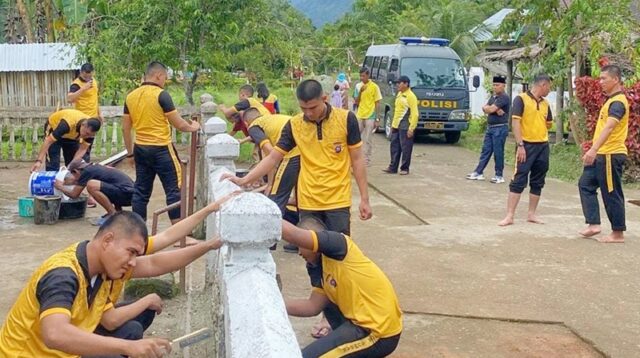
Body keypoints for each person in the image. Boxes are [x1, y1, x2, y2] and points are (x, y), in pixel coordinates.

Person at [0, 199, 232, 358]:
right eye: (130, 252)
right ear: (107, 240)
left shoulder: (106, 265)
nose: (133, 262)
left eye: (136, 255)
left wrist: (209, 243)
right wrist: (129, 348)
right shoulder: (63, 274)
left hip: (63, 353)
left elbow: (156, 261)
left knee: (129, 332)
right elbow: (55, 333)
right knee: (126, 339)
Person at [222, 79, 372, 238]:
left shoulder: (346, 119)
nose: (308, 113)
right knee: (312, 257)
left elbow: (357, 159)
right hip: (309, 202)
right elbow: (273, 157)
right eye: (303, 108)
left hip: (338, 200)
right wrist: (244, 180)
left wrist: (364, 198)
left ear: (324, 98)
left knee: (339, 254)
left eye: (313, 108)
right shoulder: (294, 125)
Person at [282, 219, 402, 358]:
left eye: (300, 246)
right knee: (329, 307)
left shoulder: (339, 245)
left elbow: (292, 234)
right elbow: (312, 306)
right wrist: (273, 304)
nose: (298, 253)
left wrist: (257, 211)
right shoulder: (317, 266)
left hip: (377, 331)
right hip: (358, 325)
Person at [122, 61, 200, 224]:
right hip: (161, 149)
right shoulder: (161, 95)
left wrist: (130, 153)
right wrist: (194, 127)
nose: (165, 81)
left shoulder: (130, 97)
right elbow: (179, 124)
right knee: (174, 189)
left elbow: (125, 129)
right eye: (165, 77)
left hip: (140, 148)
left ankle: (138, 230)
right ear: (158, 75)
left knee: (141, 191)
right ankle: (178, 234)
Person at [578, 65, 629, 243]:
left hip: (610, 154)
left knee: (611, 192)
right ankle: (593, 224)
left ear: (615, 79)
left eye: (604, 79)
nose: (600, 82)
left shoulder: (618, 102)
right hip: (602, 153)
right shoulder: (611, 101)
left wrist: (593, 149)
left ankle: (618, 233)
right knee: (585, 184)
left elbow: (609, 127)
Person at [243, 108, 301, 252]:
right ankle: (301, 239)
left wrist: (270, 183)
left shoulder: (254, 127)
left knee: (276, 198)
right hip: (306, 149)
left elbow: (270, 154)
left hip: (293, 153)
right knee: (302, 198)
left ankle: (269, 241)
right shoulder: (271, 119)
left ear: (246, 122)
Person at [498, 74, 553, 226]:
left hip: (542, 145)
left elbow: (548, 123)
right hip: (526, 145)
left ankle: (531, 214)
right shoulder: (520, 99)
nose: (549, 90)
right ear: (543, 84)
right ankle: (509, 215)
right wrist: (520, 144)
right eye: (549, 87)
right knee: (519, 178)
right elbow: (515, 122)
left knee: (538, 179)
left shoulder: (545, 103)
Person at [54, 159, 134, 226]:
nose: (74, 178)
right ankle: (117, 212)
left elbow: (74, 195)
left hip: (126, 194)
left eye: (73, 175)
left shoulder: (86, 172)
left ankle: (112, 215)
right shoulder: (93, 168)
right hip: (130, 194)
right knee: (102, 185)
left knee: (91, 185)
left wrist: (60, 187)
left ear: (75, 171)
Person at [466, 75, 511, 183]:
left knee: (498, 152)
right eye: (494, 85)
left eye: (497, 85)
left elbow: (490, 109)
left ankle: (499, 175)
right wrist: (492, 109)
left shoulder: (504, 97)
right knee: (485, 151)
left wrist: (491, 109)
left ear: (503, 86)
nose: (495, 87)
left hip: (499, 128)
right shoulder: (493, 97)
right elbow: (485, 107)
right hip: (490, 128)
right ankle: (478, 172)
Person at [31, 109, 101, 172]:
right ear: (83, 125)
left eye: (90, 135)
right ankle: (51, 183)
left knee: (72, 164)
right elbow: (48, 141)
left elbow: (82, 150)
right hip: (54, 128)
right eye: (86, 133)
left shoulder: (90, 132)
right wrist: (39, 161)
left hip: (72, 135)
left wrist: (70, 167)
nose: (87, 137)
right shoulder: (66, 124)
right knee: (53, 162)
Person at [382, 75, 418, 175]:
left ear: (406, 84)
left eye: (400, 83)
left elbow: (415, 113)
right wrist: (393, 125)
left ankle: (405, 168)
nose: (398, 85)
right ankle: (393, 167)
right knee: (394, 146)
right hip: (396, 124)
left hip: (405, 124)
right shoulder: (399, 94)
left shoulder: (411, 96)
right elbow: (397, 110)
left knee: (405, 147)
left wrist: (411, 128)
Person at [355, 67, 382, 166]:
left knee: (368, 138)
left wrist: (377, 118)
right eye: (360, 76)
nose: (362, 78)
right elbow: (356, 102)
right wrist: (361, 92)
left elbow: (378, 102)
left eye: (363, 76)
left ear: (368, 75)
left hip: (370, 115)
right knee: (356, 137)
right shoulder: (358, 86)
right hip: (360, 114)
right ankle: (355, 158)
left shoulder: (374, 87)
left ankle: (366, 159)